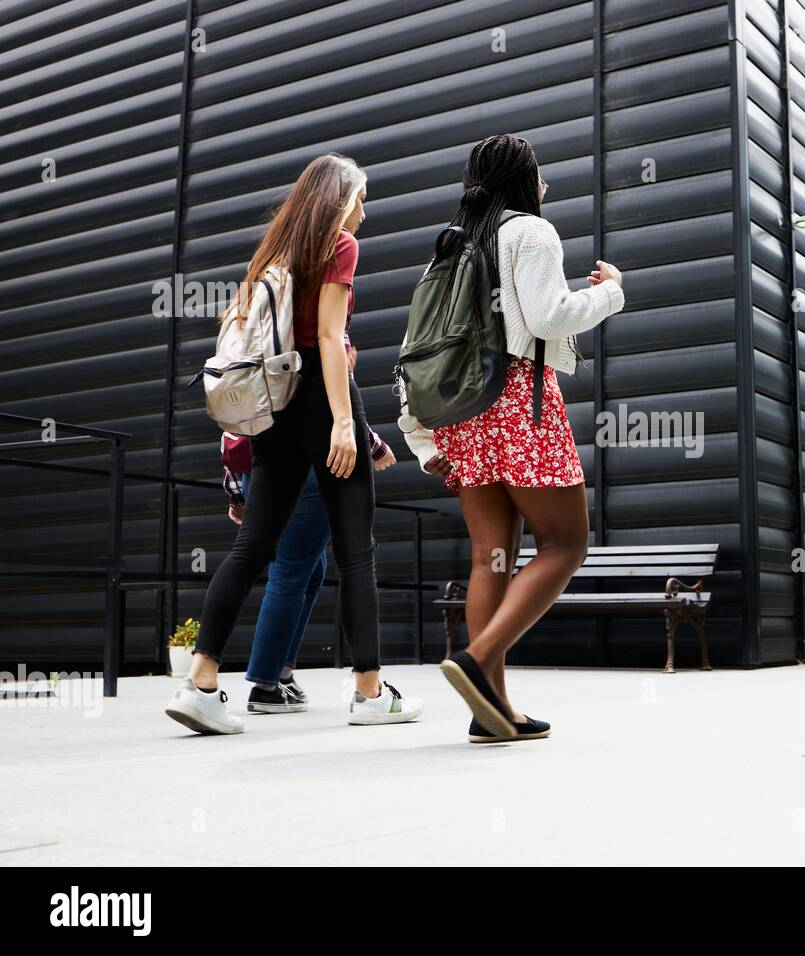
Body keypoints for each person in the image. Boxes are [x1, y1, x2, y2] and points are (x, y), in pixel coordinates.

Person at [166, 153, 422, 734]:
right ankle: (370, 693)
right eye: (361, 195)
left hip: (271, 404)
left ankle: (201, 682)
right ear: (338, 199)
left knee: (251, 548)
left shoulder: (275, 252)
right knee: (357, 552)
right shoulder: (340, 246)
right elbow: (330, 339)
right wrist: (340, 423)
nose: (365, 208)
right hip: (319, 401)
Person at [403, 134, 625, 743]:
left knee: (490, 557)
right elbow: (550, 318)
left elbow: (417, 348)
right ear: (524, 180)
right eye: (541, 174)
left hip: (461, 412)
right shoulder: (531, 231)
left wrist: (425, 438)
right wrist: (610, 293)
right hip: (518, 402)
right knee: (565, 544)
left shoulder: (449, 244)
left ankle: (491, 710)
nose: (545, 185)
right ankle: (479, 659)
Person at [220, 338, 396, 715]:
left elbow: (237, 435)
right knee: (291, 571)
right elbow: (326, 415)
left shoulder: (260, 349)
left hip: (259, 465)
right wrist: (376, 446)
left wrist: (237, 495)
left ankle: (279, 672)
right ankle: (265, 683)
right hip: (307, 473)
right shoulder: (320, 344)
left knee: (309, 568)